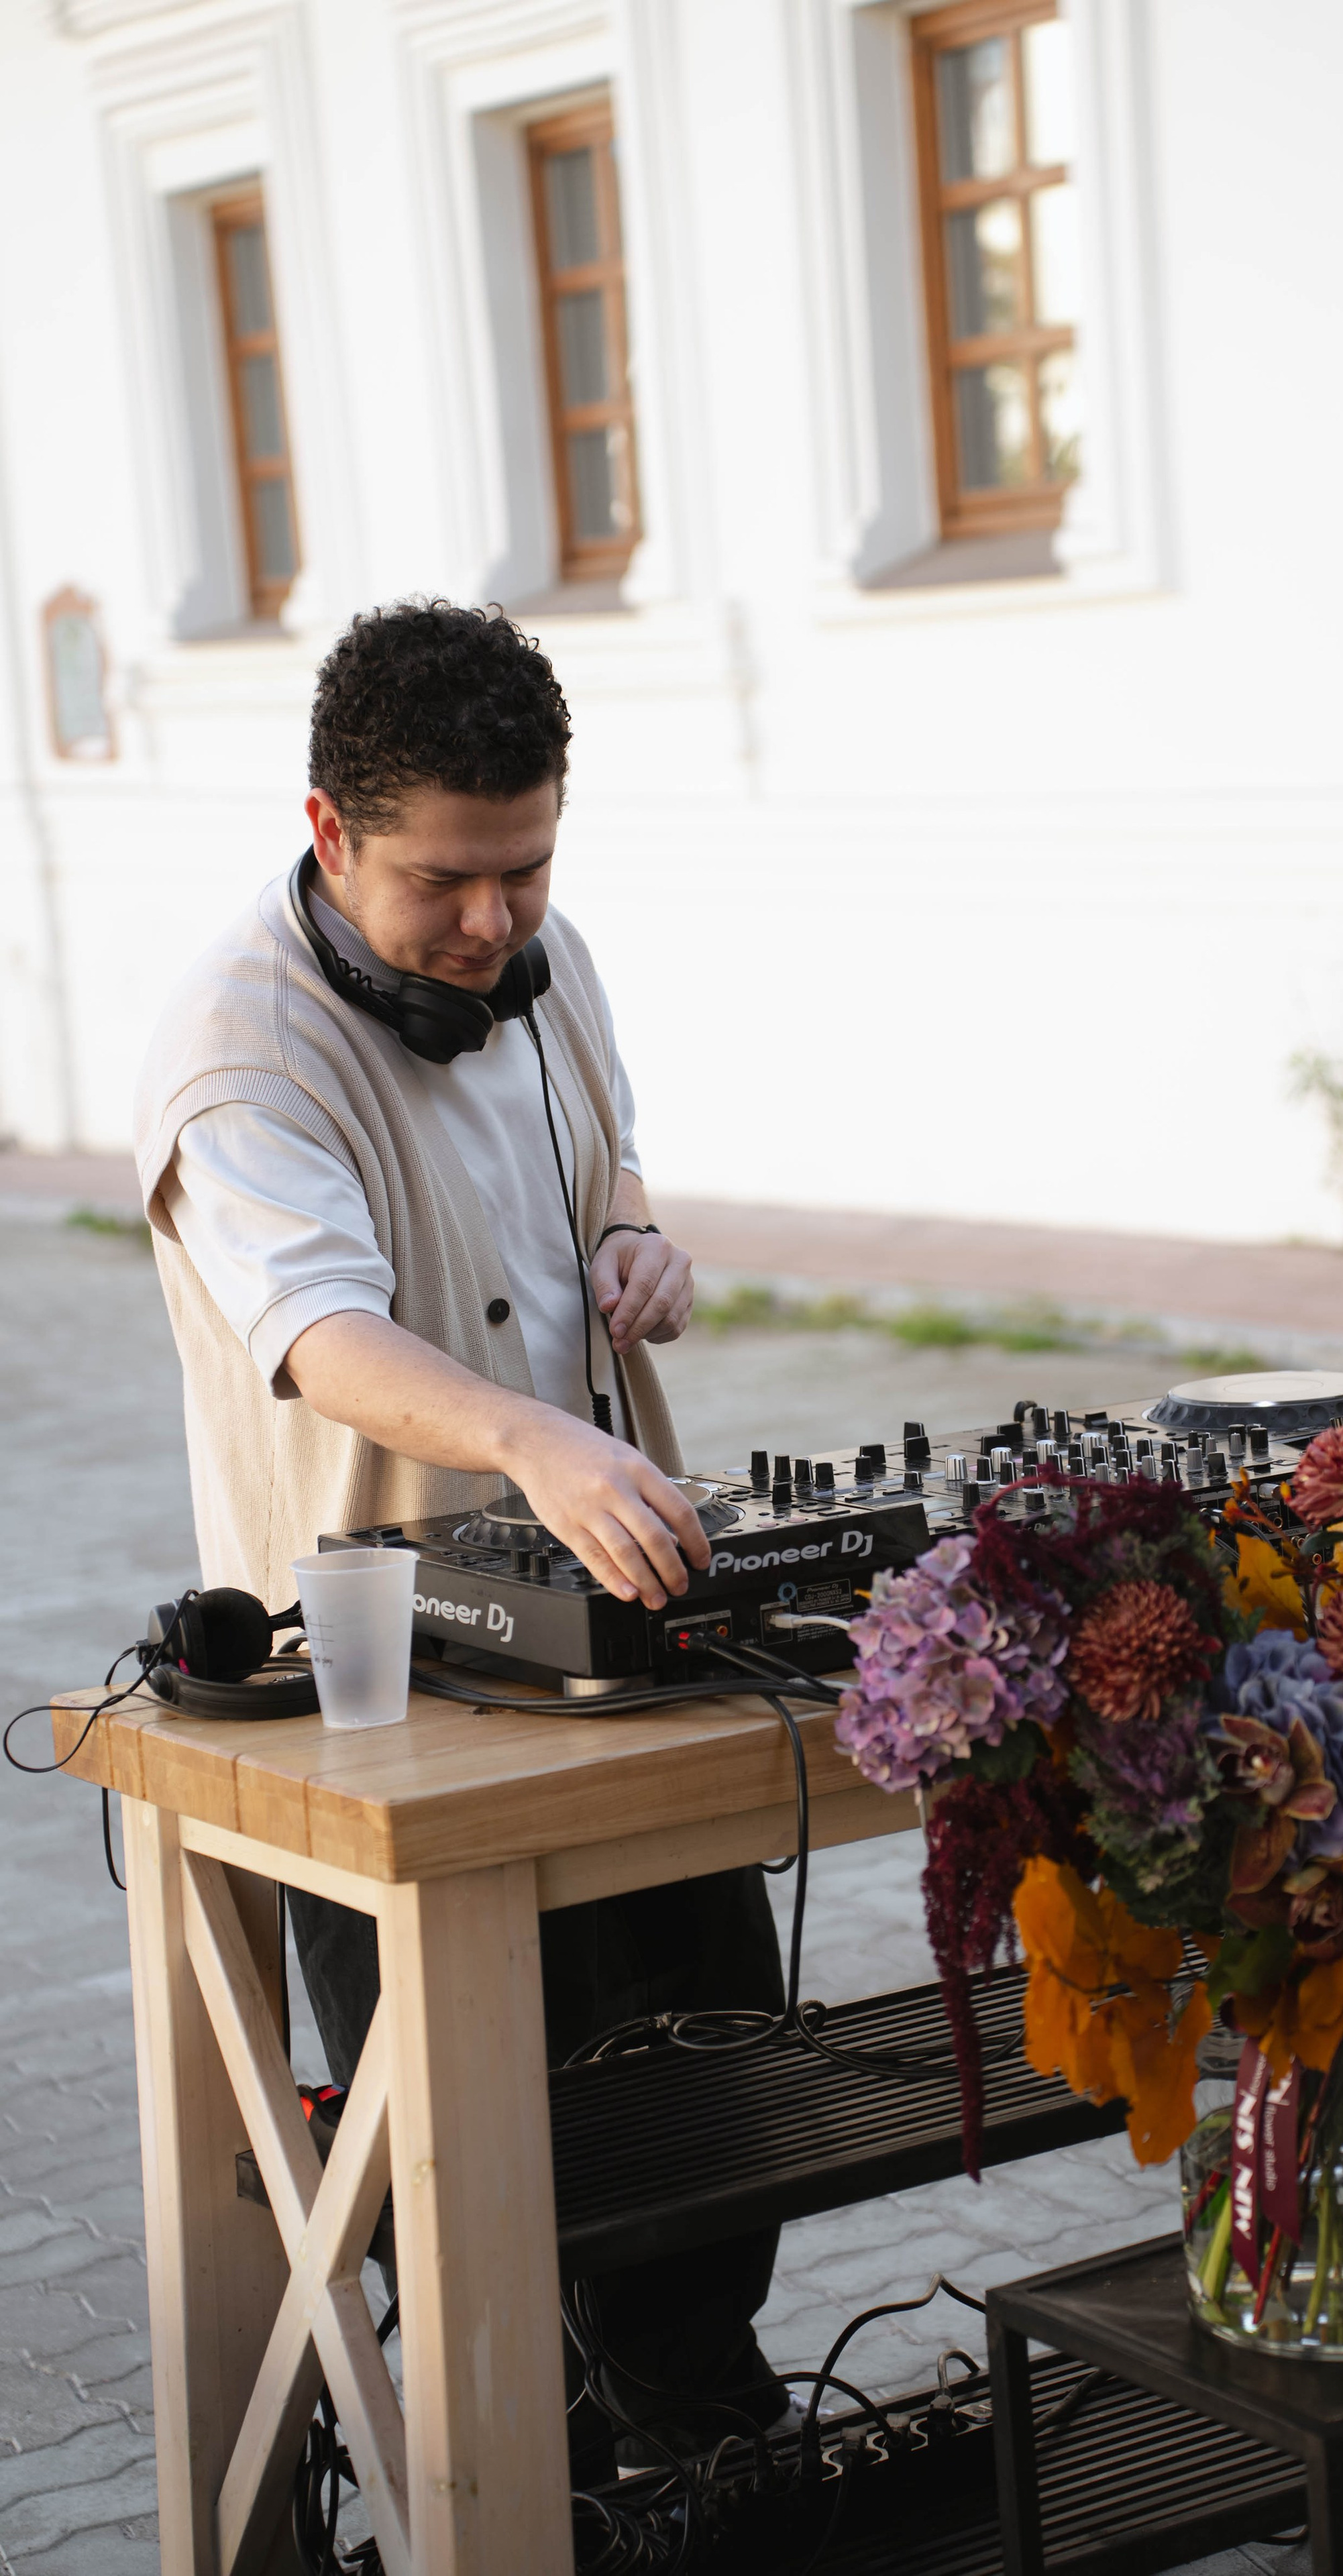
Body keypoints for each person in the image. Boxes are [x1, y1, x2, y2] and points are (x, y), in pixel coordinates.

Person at [132, 598, 790, 2473]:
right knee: (474, 2157)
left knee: (709, 2071)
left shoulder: (550, 957)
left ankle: (706, 2451)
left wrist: (634, 1236)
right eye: (445, 881)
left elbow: (605, 1153)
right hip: (388, 1682)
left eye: (530, 866)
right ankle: (541, 2485)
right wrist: (534, 1442)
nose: (497, 923)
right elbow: (319, 1333)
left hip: (619, 1624)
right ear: (330, 832)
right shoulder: (238, 1050)